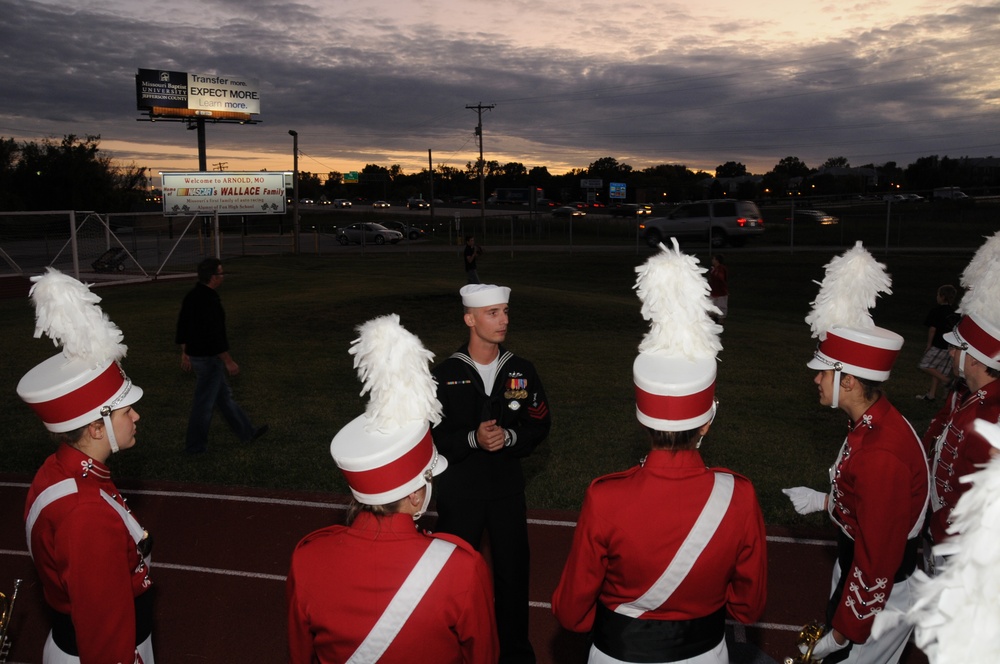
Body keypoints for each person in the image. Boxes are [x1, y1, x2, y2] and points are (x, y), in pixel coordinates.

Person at [552, 239, 767, 664]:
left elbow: (572, 613)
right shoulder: (739, 497)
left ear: (643, 420)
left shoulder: (605, 497)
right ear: (707, 421)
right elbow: (748, 607)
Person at [286, 314, 499, 664]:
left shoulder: (307, 558)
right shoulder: (462, 567)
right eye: (428, 479)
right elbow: (483, 657)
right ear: (415, 495)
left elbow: (299, 655)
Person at [783, 242, 930, 664]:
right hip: (859, 576)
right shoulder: (870, 423)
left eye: (823, 372)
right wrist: (824, 501)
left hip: (878, 601)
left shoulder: (881, 453)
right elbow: (870, 508)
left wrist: (843, 632)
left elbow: (877, 559)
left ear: (848, 382)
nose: (815, 379)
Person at [17, 268, 154, 663]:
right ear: (97, 428)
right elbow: (103, 628)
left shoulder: (61, 469)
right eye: (127, 411)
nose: (136, 417)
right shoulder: (86, 513)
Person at [432, 283, 552, 664]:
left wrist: (510, 437)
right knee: (453, 576)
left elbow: (540, 422)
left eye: (505, 312)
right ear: (470, 319)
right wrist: (473, 438)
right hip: (460, 493)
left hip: (506, 491)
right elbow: (432, 436)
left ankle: (515, 655)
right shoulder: (444, 374)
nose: (503, 321)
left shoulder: (521, 370)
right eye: (493, 313)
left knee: (512, 576)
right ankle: (449, 650)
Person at [923, 232, 1000, 573]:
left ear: (974, 357)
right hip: (943, 530)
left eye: (958, 348)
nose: (951, 353)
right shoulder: (968, 396)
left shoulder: (992, 416)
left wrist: (943, 525)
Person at [175, 257, 267, 454]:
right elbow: (215, 337)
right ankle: (195, 447)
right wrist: (229, 361)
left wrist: (185, 353)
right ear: (212, 277)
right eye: (220, 273)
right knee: (204, 404)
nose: (223, 276)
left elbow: (183, 328)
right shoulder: (210, 301)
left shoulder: (192, 296)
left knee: (224, 398)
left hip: (197, 357)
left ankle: (247, 432)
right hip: (209, 360)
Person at [915, 284, 959, 401]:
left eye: (938, 295)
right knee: (938, 371)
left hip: (939, 345)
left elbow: (932, 329)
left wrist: (929, 344)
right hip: (951, 346)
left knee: (925, 365)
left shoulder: (937, 311)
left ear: (942, 296)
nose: (937, 297)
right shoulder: (956, 312)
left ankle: (949, 382)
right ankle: (931, 395)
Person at [707, 253, 728, 324]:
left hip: (720, 292)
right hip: (713, 291)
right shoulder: (713, 269)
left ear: (717, 260)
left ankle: (720, 323)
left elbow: (721, 278)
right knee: (711, 308)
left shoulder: (721, 269)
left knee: (721, 308)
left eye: (713, 259)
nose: (712, 260)